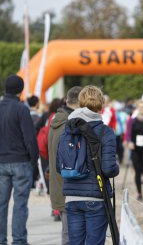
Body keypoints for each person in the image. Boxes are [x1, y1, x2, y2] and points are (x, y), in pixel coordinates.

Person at [60, 85, 119, 244]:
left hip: (72, 196)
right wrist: (116, 168)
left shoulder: (69, 130)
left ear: (80, 103)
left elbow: (61, 164)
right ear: (101, 105)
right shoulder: (105, 132)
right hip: (96, 196)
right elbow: (108, 168)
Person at [0, 75, 39, 245]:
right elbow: (30, 139)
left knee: (0, 203)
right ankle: (19, 240)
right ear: (20, 90)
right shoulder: (21, 109)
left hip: (1, 161)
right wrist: (34, 160)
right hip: (20, 161)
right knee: (20, 204)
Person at [48, 86, 82, 245]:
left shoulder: (56, 120)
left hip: (60, 186)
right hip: (70, 187)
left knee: (68, 232)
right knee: (71, 235)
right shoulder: (69, 124)